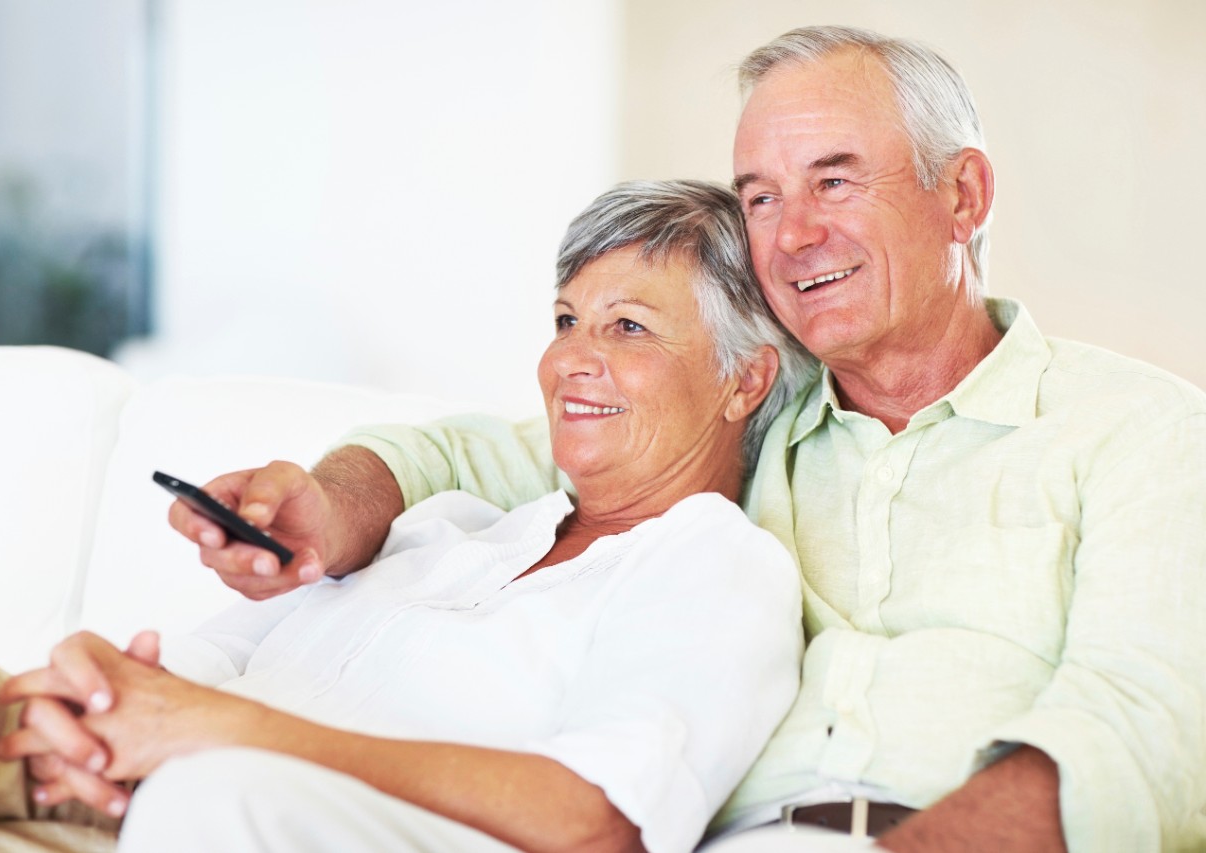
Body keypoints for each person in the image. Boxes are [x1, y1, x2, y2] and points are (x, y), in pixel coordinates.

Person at [97, 25, 1202, 853]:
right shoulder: (745, 419)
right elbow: (477, 451)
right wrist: (333, 500)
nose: (793, 233)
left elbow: (1135, 730)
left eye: (834, 180)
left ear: (961, 192)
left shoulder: (1133, 428)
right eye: (761, 197)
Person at [0, 180, 811, 853]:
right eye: (567, 319)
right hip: (129, 803)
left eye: (628, 328)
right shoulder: (453, 528)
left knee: (213, 793)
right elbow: (219, 654)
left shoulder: (716, 564)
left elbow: (597, 816)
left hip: (252, 818)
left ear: (745, 379)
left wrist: (213, 729)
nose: (572, 359)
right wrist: (99, 698)